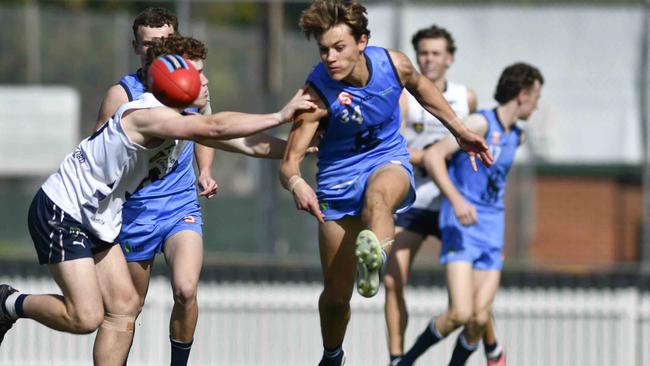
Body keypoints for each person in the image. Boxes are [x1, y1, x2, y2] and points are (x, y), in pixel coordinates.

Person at [0, 41, 315, 366]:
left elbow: (245, 143)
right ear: (175, 82)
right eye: (198, 75)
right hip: (62, 211)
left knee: (124, 307)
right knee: (86, 317)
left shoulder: (178, 119)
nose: (206, 82)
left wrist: (299, 148)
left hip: (98, 216)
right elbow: (217, 126)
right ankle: (8, 303)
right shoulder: (144, 115)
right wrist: (280, 114)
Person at [279, 2, 493, 365]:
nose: (330, 57)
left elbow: (422, 87)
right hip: (335, 182)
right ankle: (332, 355)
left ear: (362, 41)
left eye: (339, 47)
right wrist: (297, 183)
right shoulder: (315, 93)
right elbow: (289, 163)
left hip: (387, 161)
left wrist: (459, 130)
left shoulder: (393, 65)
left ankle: (374, 258)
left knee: (378, 198)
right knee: (334, 299)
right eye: (324, 50)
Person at [397, 62, 544, 366]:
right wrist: (456, 199)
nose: (537, 104)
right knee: (459, 314)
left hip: (491, 229)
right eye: (536, 96)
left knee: (478, 318)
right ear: (522, 95)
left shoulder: (517, 136)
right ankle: (404, 362)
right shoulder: (479, 123)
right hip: (461, 225)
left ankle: (487, 352)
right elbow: (435, 156)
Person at [95, 9, 216, 366]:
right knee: (126, 309)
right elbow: (98, 154)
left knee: (186, 288)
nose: (157, 51)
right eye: (149, 45)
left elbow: (208, 128)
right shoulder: (122, 95)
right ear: (136, 47)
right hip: (136, 213)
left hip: (180, 208)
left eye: (164, 43)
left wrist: (204, 170)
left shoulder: (191, 84)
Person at [383, 25, 505, 366]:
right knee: (393, 280)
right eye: (423, 53)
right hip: (413, 200)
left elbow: (473, 139)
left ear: (449, 58)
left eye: (436, 53)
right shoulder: (405, 98)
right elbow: (395, 144)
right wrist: (430, 156)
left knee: (474, 283)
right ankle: (396, 358)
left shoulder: (465, 97)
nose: (429, 59)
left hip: (453, 202)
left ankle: (492, 343)